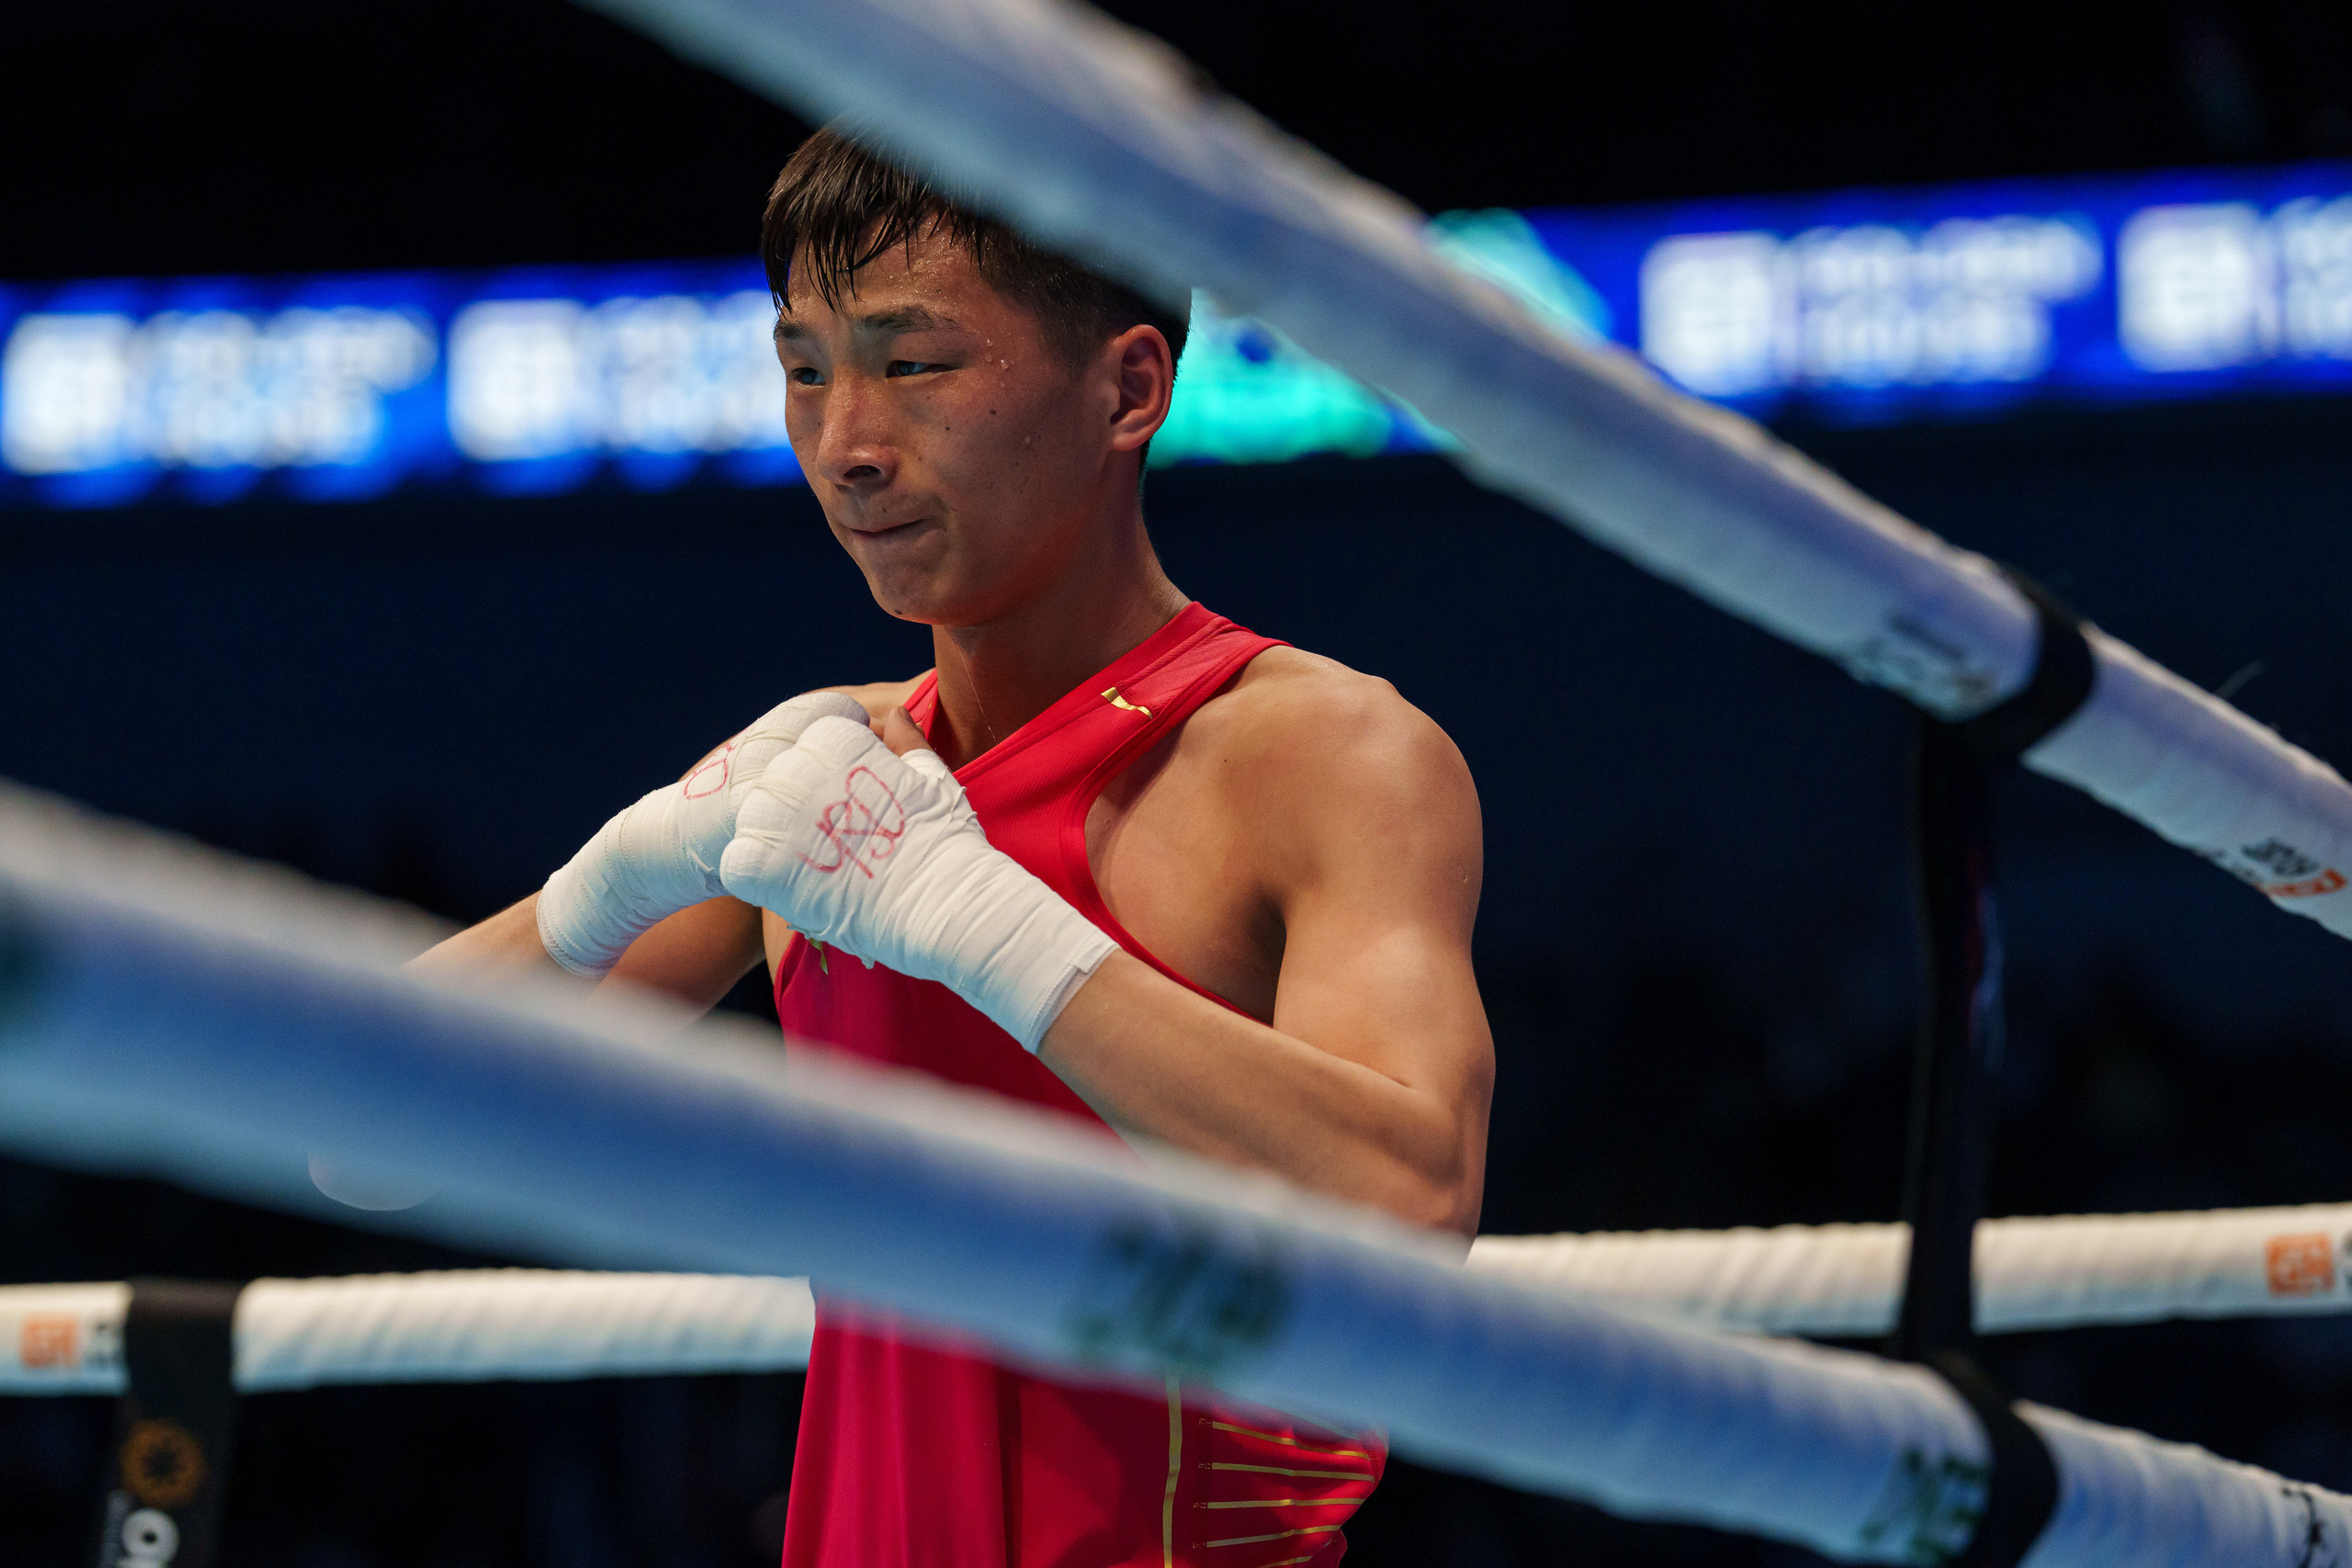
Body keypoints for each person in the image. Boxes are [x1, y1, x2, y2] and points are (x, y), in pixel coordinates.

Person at [417, 129, 1493, 1567]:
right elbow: (367, 1141)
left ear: (1130, 388)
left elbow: (1411, 1203)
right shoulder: (835, 786)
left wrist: (978, 919)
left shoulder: (1319, 753)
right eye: (805, 367)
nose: (848, 444)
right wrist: (600, 890)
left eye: (914, 364)